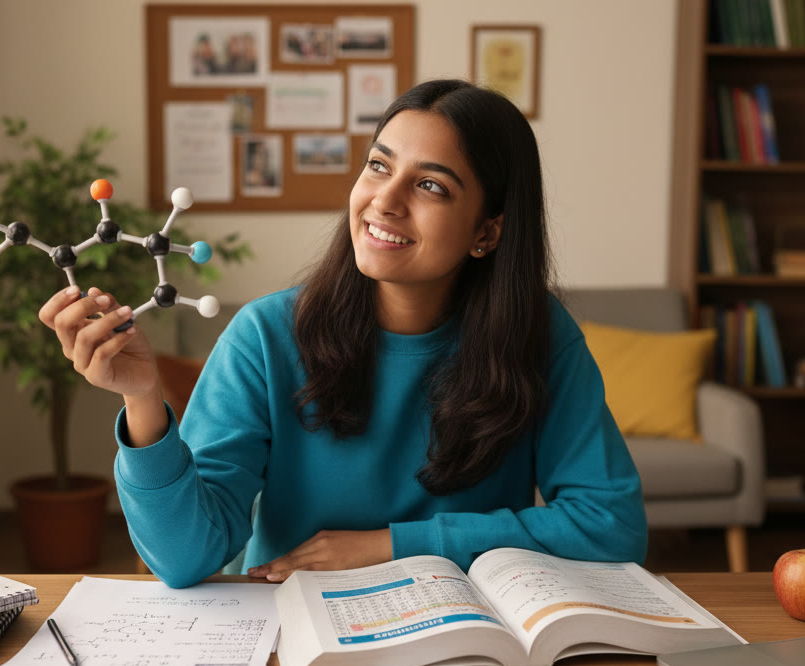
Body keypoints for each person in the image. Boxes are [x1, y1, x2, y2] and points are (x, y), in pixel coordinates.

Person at [39, 79, 646, 589]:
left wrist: (396, 546)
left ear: (487, 232)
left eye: (430, 185)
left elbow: (610, 525)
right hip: (296, 626)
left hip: (468, 633)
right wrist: (143, 399)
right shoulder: (266, 336)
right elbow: (182, 560)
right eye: (379, 166)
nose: (384, 200)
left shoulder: (538, 335)